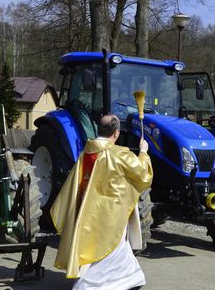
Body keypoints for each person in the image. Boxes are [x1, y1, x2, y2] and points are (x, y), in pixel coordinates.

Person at [51, 114, 153, 290]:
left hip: (88, 210)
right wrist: (143, 151)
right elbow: (143, 175)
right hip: (111, 213)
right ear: (116, 133)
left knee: (116, 249)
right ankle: (91, 285)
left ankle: (130, 278)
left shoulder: (86, 153)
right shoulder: (119, 154)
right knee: (107, 250)